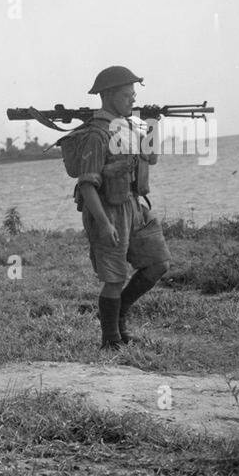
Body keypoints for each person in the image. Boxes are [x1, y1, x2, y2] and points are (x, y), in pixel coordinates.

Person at [68, 66, 171, 349]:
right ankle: (111, 339)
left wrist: (152, 122)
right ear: (110, 95)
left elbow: (150, 157)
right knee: (114, 278)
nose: (132, 99)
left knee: (158, 262)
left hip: (134, 206)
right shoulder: (96, 134)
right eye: (127, 95)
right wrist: (103, 222)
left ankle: (120, 315)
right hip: (107, 210)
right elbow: (87, 184)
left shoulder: (127, 127)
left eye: (134, 94)